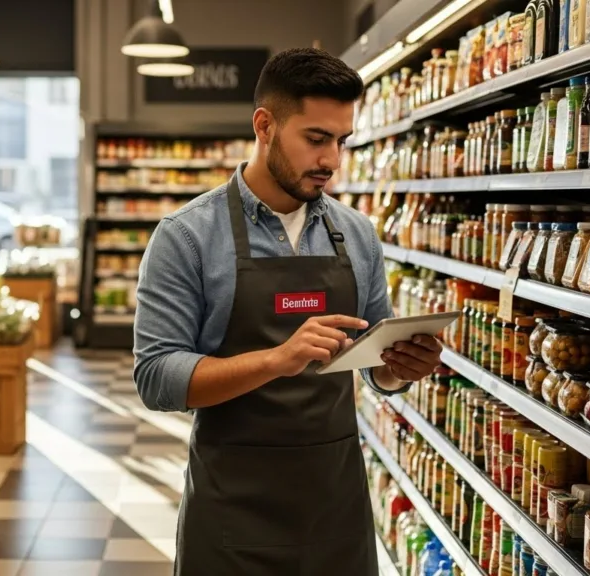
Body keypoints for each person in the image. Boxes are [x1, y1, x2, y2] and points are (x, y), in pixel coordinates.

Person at [132, 48, 443, 575]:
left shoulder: (358, 235)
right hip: (233, 511)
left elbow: (377, 365)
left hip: (335, 505)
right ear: (265, 126)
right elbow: (157, 377)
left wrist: (400, 368)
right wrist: (277, 360)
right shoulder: (187, 237)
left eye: (342, 140)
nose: (332, 161)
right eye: (316, 139)